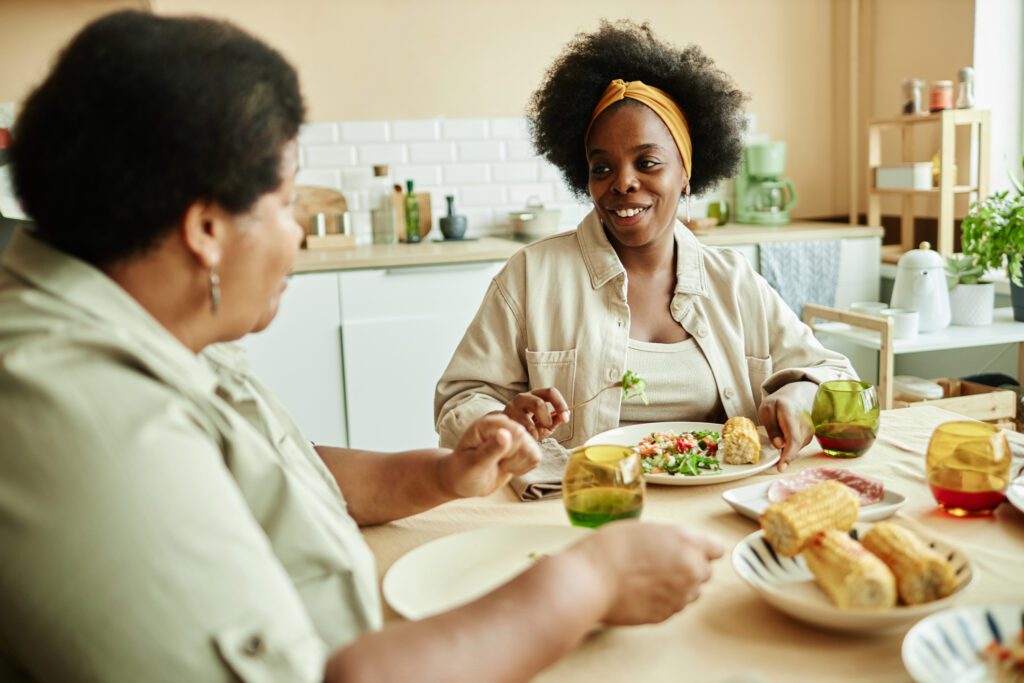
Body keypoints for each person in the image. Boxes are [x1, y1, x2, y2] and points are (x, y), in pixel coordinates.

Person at [0, 12, 724, 683]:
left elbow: (281, 468)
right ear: (206, 231)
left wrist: (443, 474)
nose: (300, 234)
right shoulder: (76, 409)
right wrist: (585, 580)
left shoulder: (135, 321)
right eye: (287, 204)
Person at [435, 21, 856, 470]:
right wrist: (503, 421)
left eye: (648, 162)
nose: (623, 182)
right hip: (587, 510)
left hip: (716, 507)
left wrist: (800, 393)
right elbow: (458, 403)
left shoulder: (732, 281)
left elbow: (835, 374)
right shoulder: (530, 276)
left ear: (687, 173)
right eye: (602, 168)